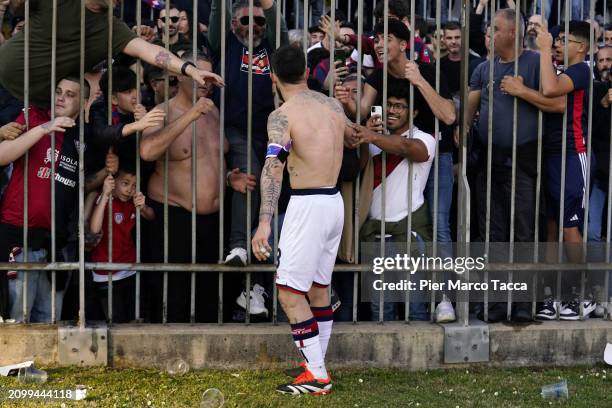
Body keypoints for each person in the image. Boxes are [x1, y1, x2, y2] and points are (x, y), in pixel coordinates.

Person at [251, 45, 346, 395]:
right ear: (306, 71)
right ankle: (317, 368)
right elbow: (354, 135)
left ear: (273, 76)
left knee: (290, 292)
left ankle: (317, 375)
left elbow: (273, 166)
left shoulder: (282, 115)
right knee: (318, 289)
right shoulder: (332, 105)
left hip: (308, 205)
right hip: (334, 201)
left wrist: (264, 222)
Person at [467, 8, 564, 322]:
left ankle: (523, 303)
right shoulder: (484, 68)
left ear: (512, 33)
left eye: (495, 29)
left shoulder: (536, 63)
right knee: (491, 233)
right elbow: (471, 107)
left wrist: (523, 91)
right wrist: (463, 131)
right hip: (490, 159)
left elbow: (558, 103)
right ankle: (494, 303)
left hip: (524, 159)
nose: (489, 34)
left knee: (522, 232)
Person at [140, 51, 243, 322]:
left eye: (209, 77)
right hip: (175, 218)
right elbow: (147, 151)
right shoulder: (162, 112)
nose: (204, 82)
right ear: (179, 75)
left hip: (214, 221)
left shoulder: (214, 111)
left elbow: (211, 159)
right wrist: (191, 115)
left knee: (210, 293)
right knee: (174, 294)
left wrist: (230, 180)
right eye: (198, 75)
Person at [0, 0, 223, 110]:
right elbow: (16, 8)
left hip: (38, 105)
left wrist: (190, 69)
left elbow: (151, 51)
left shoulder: (111, 27)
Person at [208, 0, 288, 267]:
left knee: (275, 187)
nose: (253, 26)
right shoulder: (225, 44)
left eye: (259, 21)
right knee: (251, 173)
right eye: (245, 21)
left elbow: (279, 26)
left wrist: (268, 7)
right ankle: (239, 247)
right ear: (233, 25)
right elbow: (218, 11)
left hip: (270, 131)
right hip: (235, 129)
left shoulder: (272, 48)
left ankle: (264, 256)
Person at [0, 77, 86, 322]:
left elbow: (80, 184)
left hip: (55, 243)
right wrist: (44, 128)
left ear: (83, 102)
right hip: (18, 236)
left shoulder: (81, 135)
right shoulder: (33, 117)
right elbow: (2, 155)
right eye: (58, 91)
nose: (61, 97)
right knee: (15, 319)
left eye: (70, 94)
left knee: (49, 320)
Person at [351, 82, 439, 322]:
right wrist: (365, 139)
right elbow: (356, 172)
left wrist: (373, 136)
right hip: (375, 234)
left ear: (415, 112)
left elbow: (408, 148)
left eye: (399, 106)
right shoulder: (375, 138)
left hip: (408, 233)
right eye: (389, 105)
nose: (392, 110)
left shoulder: (425, 138)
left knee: (416, 308)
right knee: (381, 312)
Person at [535, 21, 597, 320]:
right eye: (556, 39)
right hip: (550, 154)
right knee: (550, 227)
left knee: (569, 227)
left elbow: (549, 89)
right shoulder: (559, 68)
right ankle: (550, 295)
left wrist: (545, 50)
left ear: (581, 47)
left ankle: (581, 294)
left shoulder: (582, 69)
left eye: (564, 40)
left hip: (573, 155)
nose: (557, 43)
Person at [88, 165, 155, 323]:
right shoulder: (102, 199)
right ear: (112, 182)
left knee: (135, 320)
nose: (129, 190)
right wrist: (105, 194)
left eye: (134, 186)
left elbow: (151, 216)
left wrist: (143, 207)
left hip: (129, 269)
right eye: (125, 183)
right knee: (116, 323)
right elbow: (94, 229)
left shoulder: (132, 202)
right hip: (105, 272)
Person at [87, 65, 165, 192]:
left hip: (134, 187)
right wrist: (137, 126)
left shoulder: (146, 110)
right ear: (113, 99)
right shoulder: (100, 109)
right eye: (128, 92)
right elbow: (102, 134)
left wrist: (145, 129)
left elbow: (149, 158)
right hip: (101, 185)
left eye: (136, 89)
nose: (135, 96)